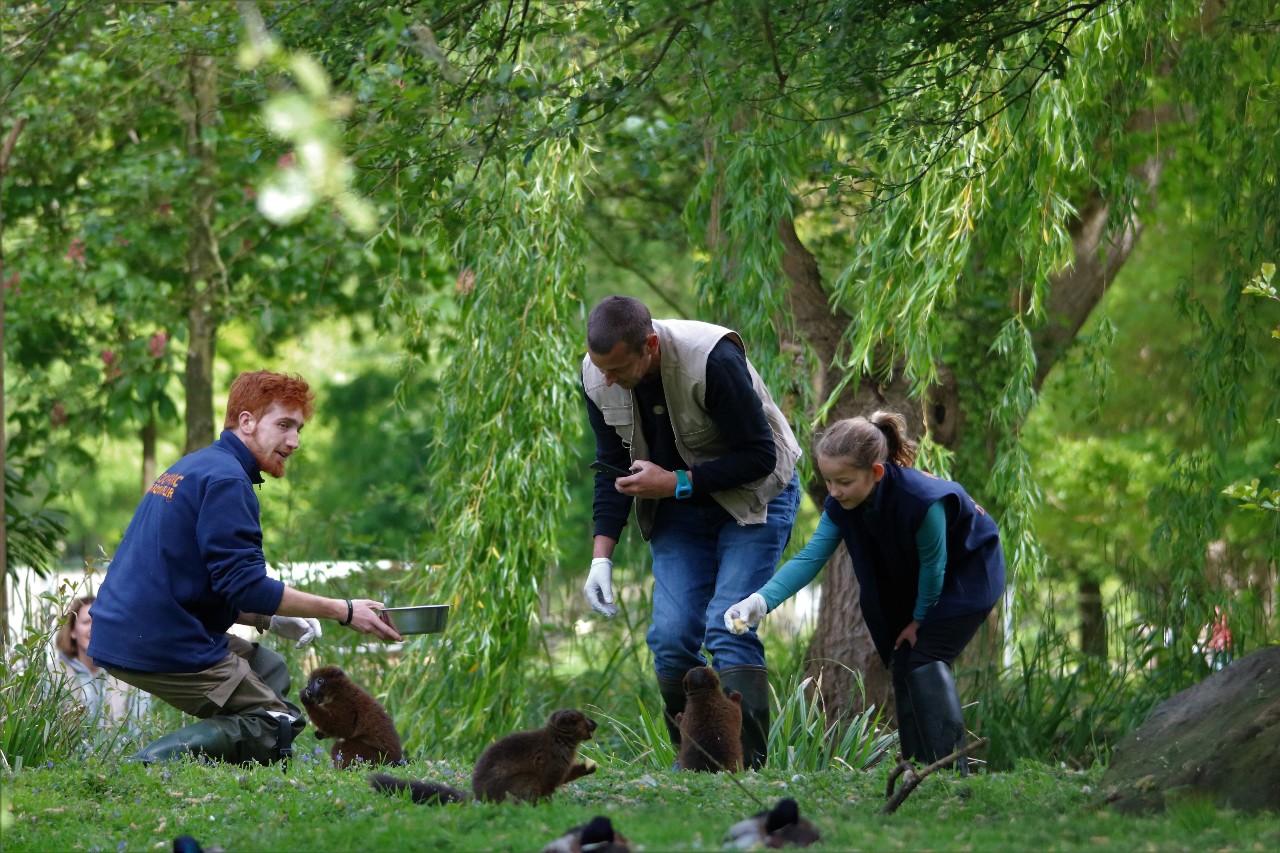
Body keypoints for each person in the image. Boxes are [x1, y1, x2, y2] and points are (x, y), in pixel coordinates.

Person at [88, 370, 402, 765]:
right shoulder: (227, 481)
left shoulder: (196, 466)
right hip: (160, 639)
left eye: (299, 429)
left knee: (267, 669)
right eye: (284, 425)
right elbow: (247, 585)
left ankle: (239, 764)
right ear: (246, 421)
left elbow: (200, 582)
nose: (294, 441)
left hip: (132, 629)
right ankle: (148, 763)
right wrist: (345, 610)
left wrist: (265, 618)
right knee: (276, 724)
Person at [581, 295, 802, 770]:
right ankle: (697, 766)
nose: (607, 380)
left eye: (617, 368)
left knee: (730, 624)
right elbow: (611, 469)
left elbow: (761, 455)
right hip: (679, 507)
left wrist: (677, 481)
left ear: (650, 346)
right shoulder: (598, 375)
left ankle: (750, 770)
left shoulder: (712, 359)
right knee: (670, 637)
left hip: (754, 495)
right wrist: (602, 557)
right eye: (601, 368)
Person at [724, 412, 1005, 773]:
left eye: (844, 481)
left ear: (876, 472)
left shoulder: (922, 501)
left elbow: (935, 568)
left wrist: (919, 621)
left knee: (925, 657)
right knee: (905, 659)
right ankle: (918, 769)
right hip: (926, 577)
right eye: (828, 481)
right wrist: (759, 602)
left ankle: (951, 773)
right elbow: (811, 557)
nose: (834, 491)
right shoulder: (842, 505)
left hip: (970, 571)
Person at [54, 594, 152, 729]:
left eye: (99, 622)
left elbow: (139, 731)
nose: (93, 628)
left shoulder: (130, 676)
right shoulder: (53, 675)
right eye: (86, 622)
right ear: (72, 631)